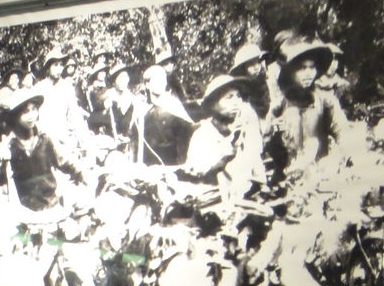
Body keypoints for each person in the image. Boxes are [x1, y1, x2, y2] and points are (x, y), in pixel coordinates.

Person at [0, 88, 84, 214]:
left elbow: (65, 162)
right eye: (25, 111)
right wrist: (1, 163)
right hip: (24, 210)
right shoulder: (8, 146)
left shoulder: (44, 139)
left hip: (51, 204)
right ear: (15, 116)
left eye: (34, 109)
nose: (31, 115)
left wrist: (81, 174)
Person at [268, 41, 348, 177]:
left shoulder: (325, 99)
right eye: (302, 68)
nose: (308, 73)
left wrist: (343, 155)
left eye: (312, 67)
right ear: (291, 72)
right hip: (288, 175)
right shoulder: (280, 104)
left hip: (320, 171)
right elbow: (266, 143)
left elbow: (342, 130)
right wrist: (273, 130)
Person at [181, 75, 265, 203]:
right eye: (229, 97)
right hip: (214, 201)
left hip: (249, 198)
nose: (236, 102)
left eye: (238, 96)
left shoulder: (243, 129)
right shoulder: (203, 135)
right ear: (213, 104)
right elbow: (198, 175)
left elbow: (256, 167)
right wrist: (228, 153)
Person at [137, 63, 194, 167]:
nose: (161, 83)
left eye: (163, 79)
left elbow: (186, 138)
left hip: (174, 164)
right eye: (156, 79)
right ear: (147, 84)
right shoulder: (143, 110)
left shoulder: (174, 105)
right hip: (151, 166)